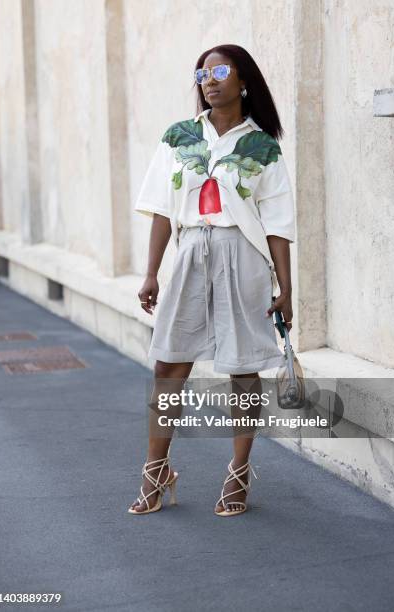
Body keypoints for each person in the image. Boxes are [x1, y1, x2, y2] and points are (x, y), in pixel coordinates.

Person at [129, 44, 295, 516]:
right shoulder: (179, 137)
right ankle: (156, 470)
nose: (209, 79)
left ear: (243, 81)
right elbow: (162, 208)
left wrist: (286, 289)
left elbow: (278, 223)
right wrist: (151, 272)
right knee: (168, 365)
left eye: (220, 70)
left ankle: (239, 474)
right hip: (188, 254)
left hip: (241, 254)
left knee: (243, 369)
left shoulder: (263, 146)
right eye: (202, 73)